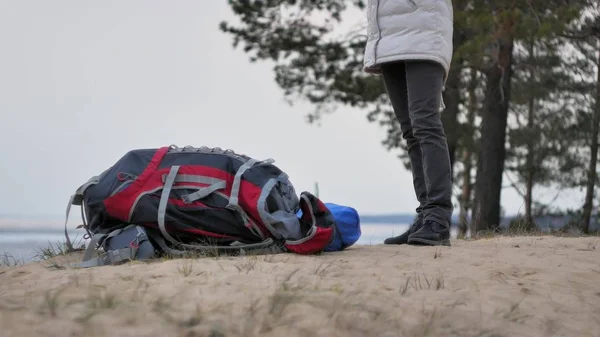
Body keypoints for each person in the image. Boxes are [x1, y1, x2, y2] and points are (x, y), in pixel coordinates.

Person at [363, 0, 454, 246]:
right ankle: (426, 215)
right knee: (411, 131)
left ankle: (438, 218)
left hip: (422, 28)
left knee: (425, 124)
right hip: (388, 37)